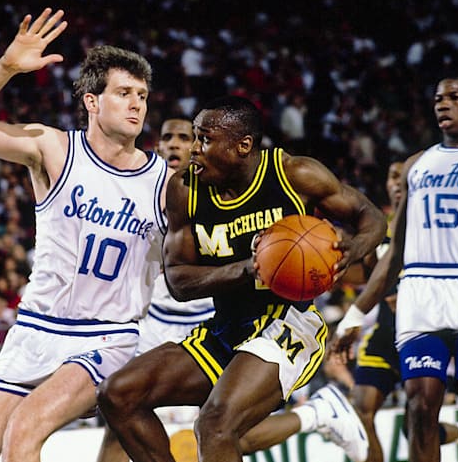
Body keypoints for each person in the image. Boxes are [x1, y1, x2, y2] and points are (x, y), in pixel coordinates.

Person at [98, 96, 386, 462]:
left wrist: (354, 248)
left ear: (243, 145)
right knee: (118, 394)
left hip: (288, 324)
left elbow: (370, 216)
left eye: (204, 139)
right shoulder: (185, 189)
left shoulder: (293, 174)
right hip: (226, 328)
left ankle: (318, 411)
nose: (194, 150)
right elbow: (179, 282)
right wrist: (249, 268)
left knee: (214, 425)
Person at [0, 8, 169, 462]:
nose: (136, 105)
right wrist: (5, 67)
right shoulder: (54, 149)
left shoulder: (164, 182)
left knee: (24, 432)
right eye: (123, 93)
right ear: (92, 102)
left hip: (108, 336)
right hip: (35, 327)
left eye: (142, 96)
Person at [333, 76, 458, 462]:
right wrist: (355, 315)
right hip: (421, 291)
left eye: (455, 97)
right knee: (420, 406)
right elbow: (396, 251)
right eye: (439, 98)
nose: (443, 103)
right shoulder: (416, 164)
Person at [331, 161, 458, 461]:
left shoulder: (434, 225)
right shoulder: (377, 230)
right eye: (392, 175)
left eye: (403, 175)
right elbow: (367, 276)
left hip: (425, 334)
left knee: (416, 427)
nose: (397, 181)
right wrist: (325, 265)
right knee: (361, 411)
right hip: (386, 336)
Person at [97, 118, 215, 462]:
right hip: (154, 322)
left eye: (184, 137)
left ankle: (317, 414)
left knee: (217, 426)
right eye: (168, 137)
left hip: (206, 320)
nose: (175, 143)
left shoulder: (218, 189)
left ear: (197, 146)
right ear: (158, 146)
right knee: (119, 414)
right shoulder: (138, 190)